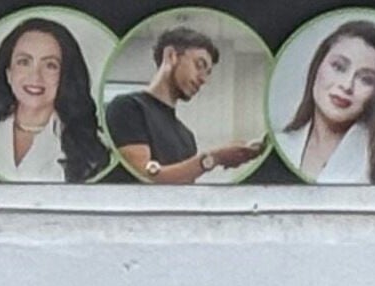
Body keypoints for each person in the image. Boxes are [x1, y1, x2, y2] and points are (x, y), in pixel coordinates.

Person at [106, 24, 267, 183]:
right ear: (171, 56)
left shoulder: (186, 137)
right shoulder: (127, 107)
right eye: (199, 65)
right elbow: (144, 176)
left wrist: (221, 157)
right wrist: (214, 158)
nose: (203, 79)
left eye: (207, 73)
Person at [278, 18, 375, 184]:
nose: (347, 85)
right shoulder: (280, 145)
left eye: (366, 79)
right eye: (338, 67)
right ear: (317, 66)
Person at [0, 16, 112, 182]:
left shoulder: (93, 147)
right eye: (24, 62)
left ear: (65, 76)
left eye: (50, 65)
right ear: (8, 73)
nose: (35, 76)